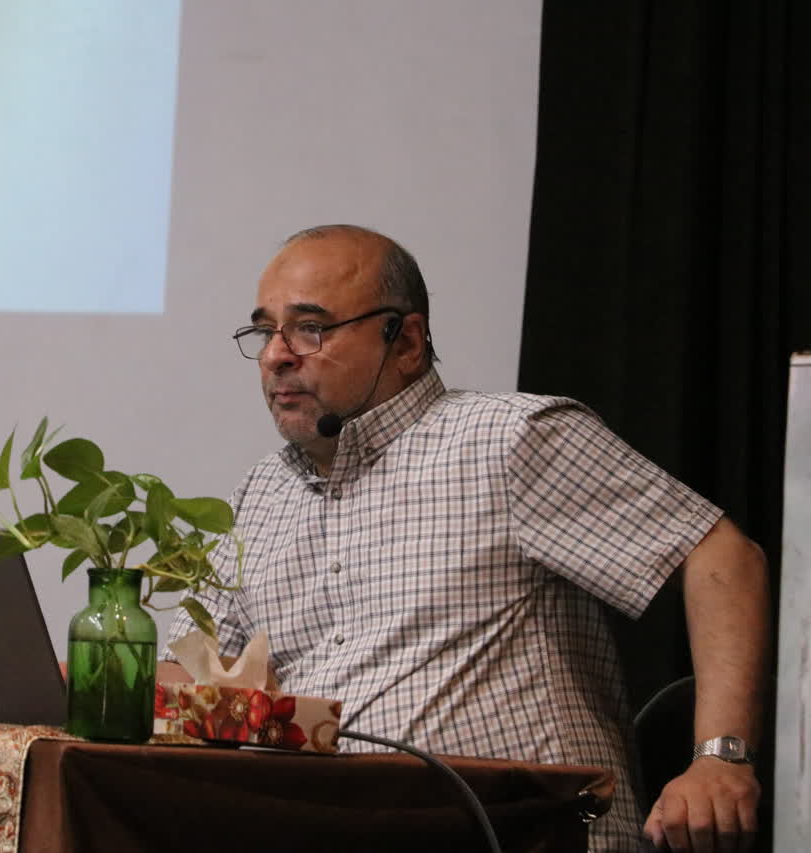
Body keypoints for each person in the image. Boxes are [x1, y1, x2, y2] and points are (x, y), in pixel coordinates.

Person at [161, 224, 769, 853]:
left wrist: (720, 758)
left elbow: (721, 555)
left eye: (310, 328)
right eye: (266, 331)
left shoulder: (509, 439)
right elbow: (193, 673)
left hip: (515, 835)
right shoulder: (261, 492)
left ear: (406, 342)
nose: (275, 356)